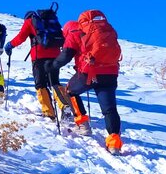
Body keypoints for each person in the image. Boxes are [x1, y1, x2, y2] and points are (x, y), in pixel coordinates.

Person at [45, 11, 123, 154]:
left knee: (70, 91)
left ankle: (83, 124)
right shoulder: (106, 29)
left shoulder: (74, 33)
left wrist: (52, 66)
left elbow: (65, 56)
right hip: (111, 72)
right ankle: (114, 143)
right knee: (110, 109)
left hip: (89, 73)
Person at [4, 7, 71, 119]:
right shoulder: (50, 20)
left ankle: (48, 112)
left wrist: (10, 45)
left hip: (39, 56)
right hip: (55, 55)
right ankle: (64, 104)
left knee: (40, 84)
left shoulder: (30, 21)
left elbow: (21, 37)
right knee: (54, 82)